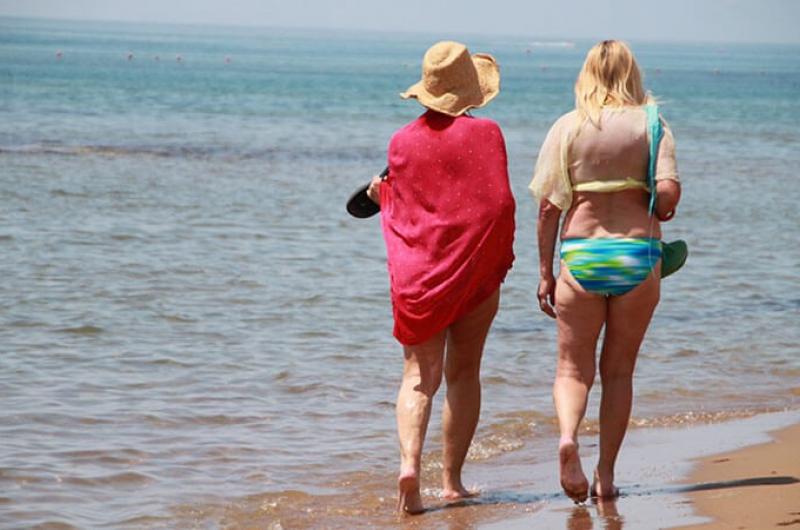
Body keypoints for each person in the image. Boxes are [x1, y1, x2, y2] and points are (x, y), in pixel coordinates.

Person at [365, 41, 515, 514]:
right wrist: (490, 259)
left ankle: (410, 466)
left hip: (419, 276)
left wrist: (382, 196)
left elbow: (408, 206)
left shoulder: (401, 142)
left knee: (418, 376)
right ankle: (452, 482)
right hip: (472, 272)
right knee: (463, 373)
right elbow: (498, 204)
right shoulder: (488, 133)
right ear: (470, 92)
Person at [530, 40, 680, 502]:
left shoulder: (569, 127)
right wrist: (658, 204)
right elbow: (669, 193)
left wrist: (544, 272)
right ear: (632, 74)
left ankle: (567, 438)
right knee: (618, 372)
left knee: (572, 370)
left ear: (587, 75)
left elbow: (548, 208)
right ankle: (607, 476)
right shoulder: (653, 125)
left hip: (581, 256)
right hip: (637, 258)